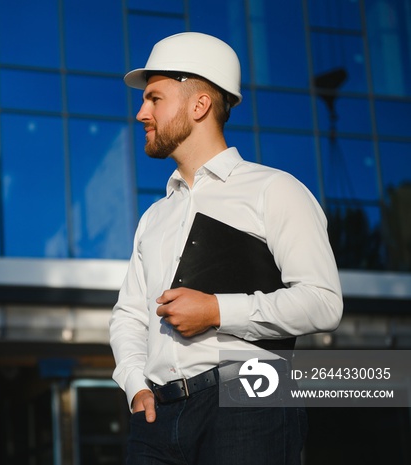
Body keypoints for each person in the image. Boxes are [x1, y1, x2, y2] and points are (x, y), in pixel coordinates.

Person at [109, 32, 343, 464]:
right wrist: (135, 384)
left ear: (199, 106)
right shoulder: (154, 218)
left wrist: (217, 310)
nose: (141, 113)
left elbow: (323, 303)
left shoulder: (274, 190)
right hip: (157, 415)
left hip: (250, 396)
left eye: (154, 99)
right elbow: (128, 315)